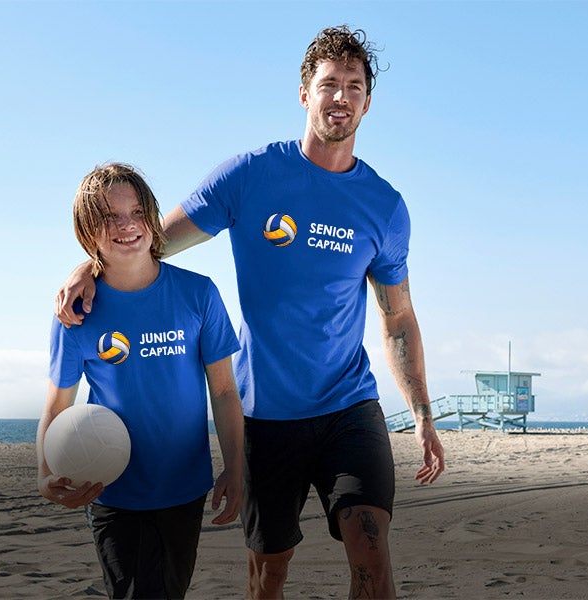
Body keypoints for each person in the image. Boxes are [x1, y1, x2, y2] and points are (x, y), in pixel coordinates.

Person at [56, 26, 445, 599]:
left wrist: (423, 415)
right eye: (328, 84)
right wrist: (87, 265)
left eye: (353, 86)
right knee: (270, 573)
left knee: (371, 550)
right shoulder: (249, 175)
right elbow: (152, 241)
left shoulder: (384, 206)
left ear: (368, 100)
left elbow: (398, 317)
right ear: (303, 93)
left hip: (349, 406)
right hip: (265, 414)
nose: (341, 97)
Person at [38, 163, 245, 599]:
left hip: (184, 486)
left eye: (135, 212)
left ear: (152, 216)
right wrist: (44, 473)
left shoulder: (199, 294)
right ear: (87, 230)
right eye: (109, 218)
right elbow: (57, 406)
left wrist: (235, 466)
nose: (126, 225)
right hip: (110, 487)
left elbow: (224, 392)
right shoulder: (75, 314)